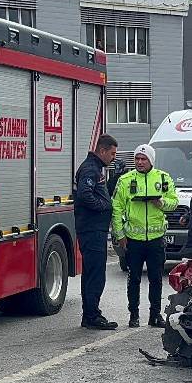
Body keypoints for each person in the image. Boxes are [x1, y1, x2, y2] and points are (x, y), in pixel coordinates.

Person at [111, 144, 176, 328]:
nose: (139, 162)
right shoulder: (125, 180)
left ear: (151, 161)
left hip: (156, 240)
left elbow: (174, 202)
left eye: (143, 159)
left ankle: (155, 315)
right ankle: (134, 315)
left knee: (156, 279)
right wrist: (120, 234)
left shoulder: (163, 178)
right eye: (137, 158)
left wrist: (160, 202)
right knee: (134, 279)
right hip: (133, 240)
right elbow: (116, 208)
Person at [74, 134, 120, 330]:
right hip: (92, 229)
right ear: (102, 150)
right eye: (112, 153)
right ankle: (92, 315)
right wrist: (103, 206)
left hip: (95, 229)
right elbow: (85, 195)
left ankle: (90, 314)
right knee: (95, 274)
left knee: (92, 272)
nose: (113, 157)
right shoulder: (90, 169)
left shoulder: (95, 168)